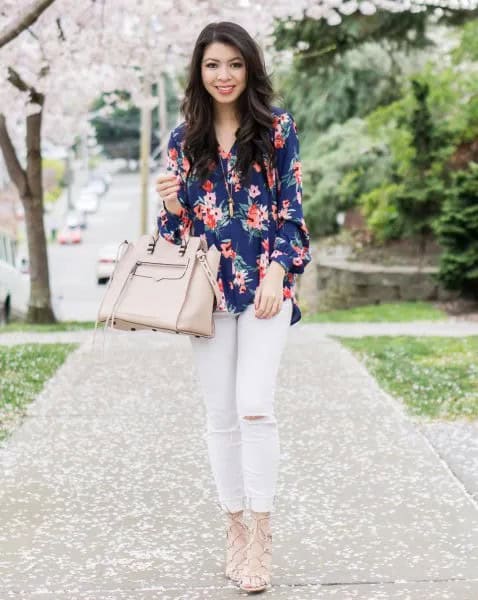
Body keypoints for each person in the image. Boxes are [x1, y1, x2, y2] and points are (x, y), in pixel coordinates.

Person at [155, 21, 311, 594]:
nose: (224, 76)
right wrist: (171, 205)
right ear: (199, 71)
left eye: (235, 64)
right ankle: (235, 530)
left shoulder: (277, 130)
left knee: (254, 408)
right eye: (213, 65)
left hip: (266, 292)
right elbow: (175, 237)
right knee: (220, 417)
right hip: (208, 296)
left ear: (251, 69)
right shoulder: (181, 139)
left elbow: (292, 212)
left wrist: (278, 271)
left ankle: (263, 536)